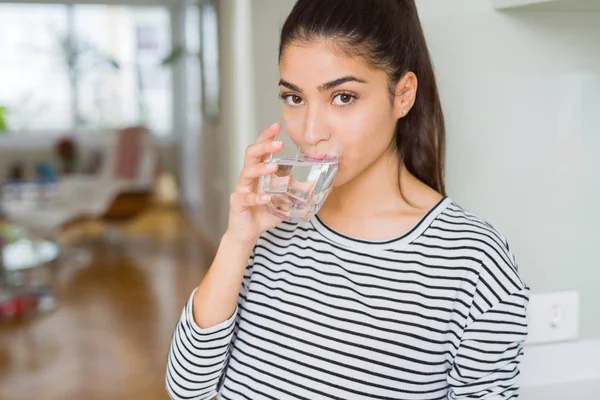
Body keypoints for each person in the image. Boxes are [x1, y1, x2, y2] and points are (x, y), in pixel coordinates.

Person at [166, 0, 529, 399]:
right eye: (295, 97)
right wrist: (236, 241)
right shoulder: (270, 227)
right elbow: (187, 389)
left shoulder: (471, 260)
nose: (310, 131)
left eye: (343, 97)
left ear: (403, 95)